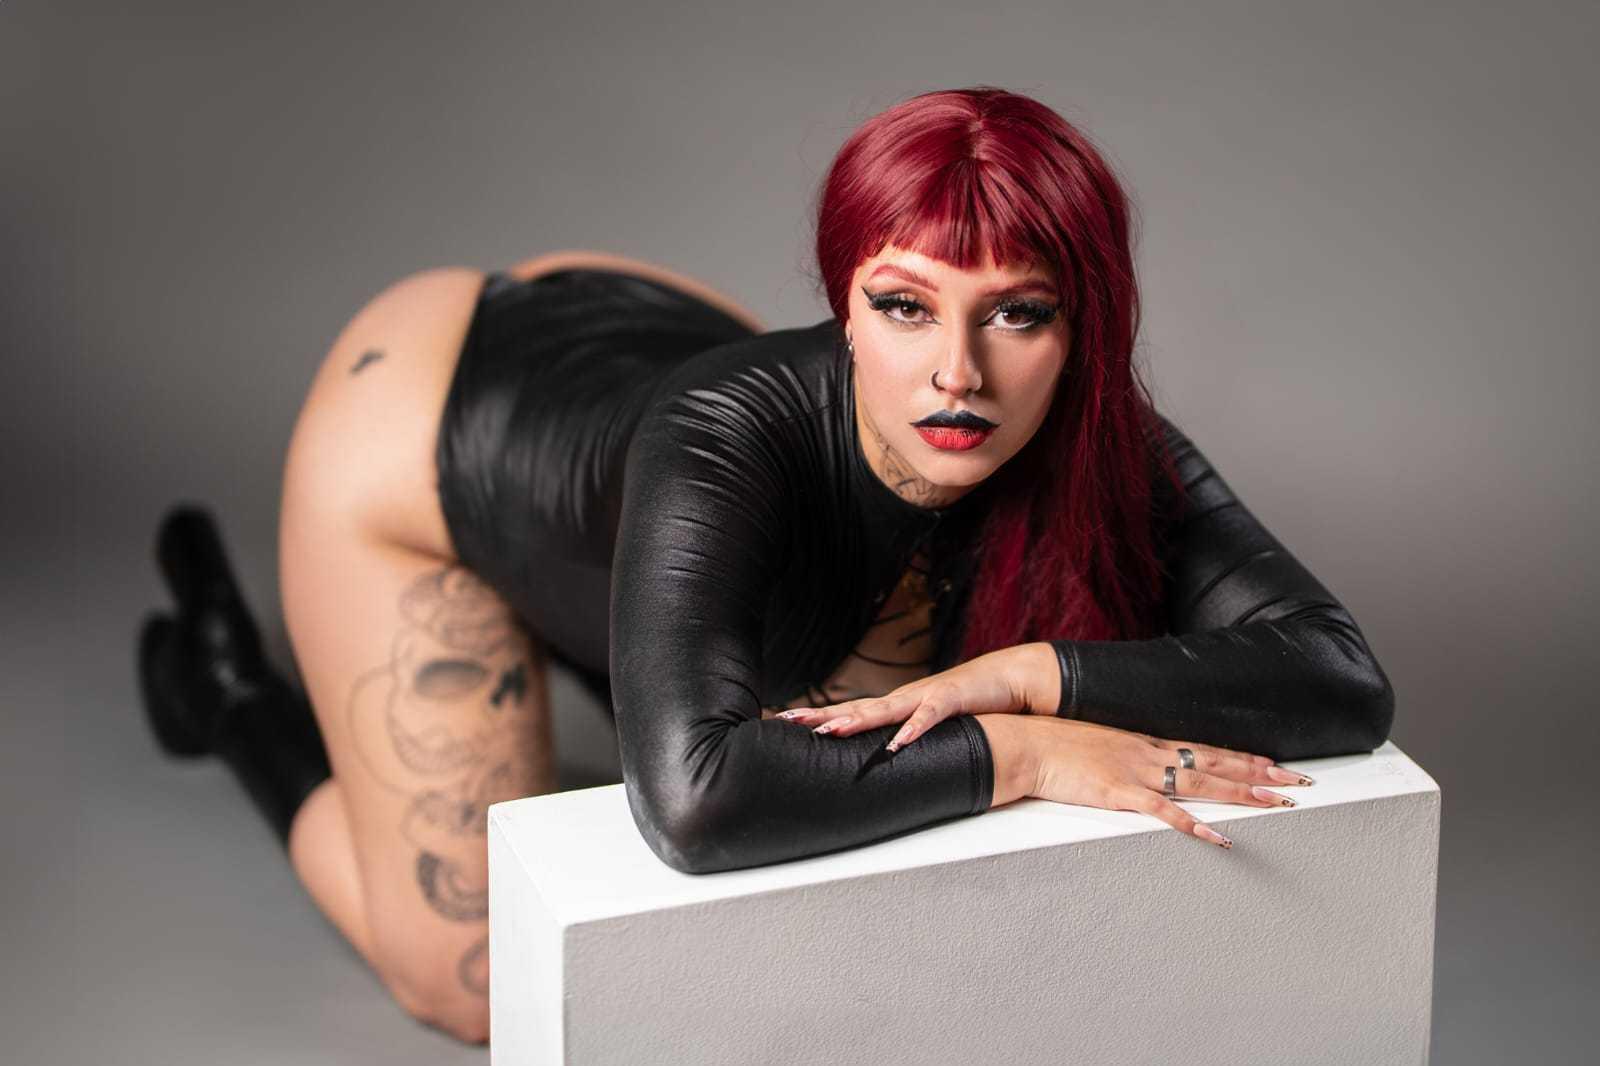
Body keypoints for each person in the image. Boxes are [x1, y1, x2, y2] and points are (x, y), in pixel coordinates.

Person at [135, 85, 1394, 1045]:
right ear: (844, 303)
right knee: (467, 978)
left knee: (848, 701)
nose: (957, 373)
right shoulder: (726, 434)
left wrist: (1026, 675)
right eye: (904, 306)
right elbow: (696, 804)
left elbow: (1339, 677)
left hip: (633, 336)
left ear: (1082, 325)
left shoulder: (1100, 437)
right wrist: (1026, 750)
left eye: (1016, 311)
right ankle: (229, 688)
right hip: (430, 422)